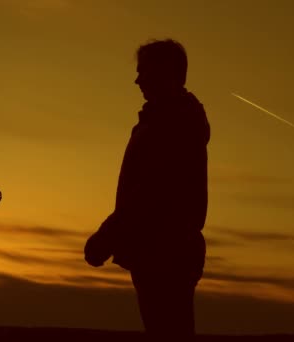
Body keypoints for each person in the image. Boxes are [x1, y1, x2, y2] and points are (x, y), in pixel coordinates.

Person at [84, 39, 210, 339]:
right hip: (158, 250)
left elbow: (152, 190)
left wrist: (107, 235)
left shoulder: (173, 123)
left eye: (144, 72)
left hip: (165, 251)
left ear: (164, 73)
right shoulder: (164, 120)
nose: (137, 80)